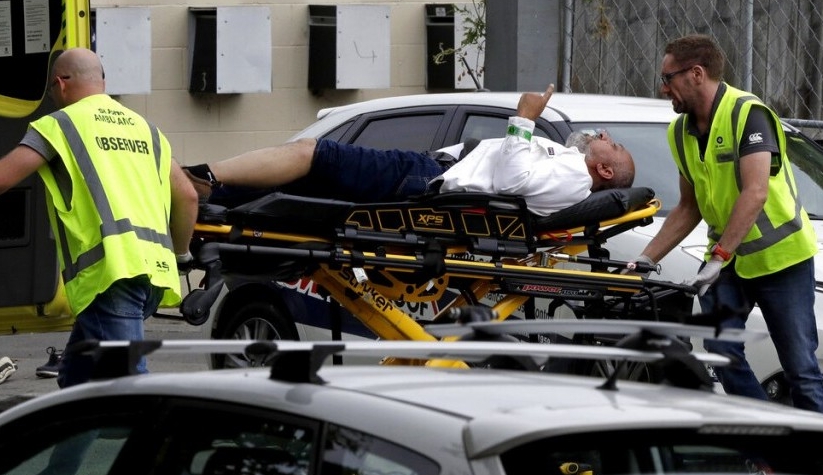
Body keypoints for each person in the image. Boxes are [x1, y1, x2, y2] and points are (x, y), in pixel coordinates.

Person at [628, 34, 823, 412]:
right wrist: (645, 259)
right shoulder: (679, 131)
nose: (662, 87)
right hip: (730, 260)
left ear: (696, 74)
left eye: (668, 78)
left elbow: (755, 193)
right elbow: (689, 207)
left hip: (780, 259)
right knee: (720, 349)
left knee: (800, 369)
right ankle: (768, 442)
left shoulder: (747, 114)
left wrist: (717, 257)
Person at [0, 48, 199, 388]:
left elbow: (4, 178)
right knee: (76, 387)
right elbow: (188, 196)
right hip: (152, 277)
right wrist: (180, 256)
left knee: (131, 391)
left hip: (110, 278)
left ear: (60, 84)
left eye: (50, 89)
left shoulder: (60, 124)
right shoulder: (146, 128)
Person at [184, 84, 635, 217]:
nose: (599, 134)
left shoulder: (575, 174)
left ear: (606, 172)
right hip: (432, 171)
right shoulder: (566, 162)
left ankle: (200, 176)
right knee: (302, 181)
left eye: (608, 143)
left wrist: (523, 117)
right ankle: (207, 198)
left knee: (310, 152)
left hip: (429, 179)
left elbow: (514, 182)